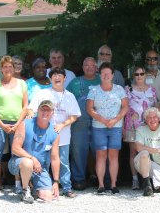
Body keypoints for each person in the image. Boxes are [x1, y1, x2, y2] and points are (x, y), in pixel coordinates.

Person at [29, 68, 81, 198]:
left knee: (63, 162)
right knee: (43, 161)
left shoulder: (70, 96)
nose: (57, 78)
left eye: (60, 75)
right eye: (54, 76)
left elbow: (75, 115)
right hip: (43, 135)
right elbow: (31, 110)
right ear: (50, 79)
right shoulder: (42, 94)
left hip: (63, 135)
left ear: (64, 78)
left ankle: (66, 187)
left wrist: (62, 124)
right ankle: (40, 186)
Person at [0, 56, 29, 197]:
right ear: (1, 69)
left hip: (17, 122)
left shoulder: (22, 83)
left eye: (10, 66)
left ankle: (18, 184)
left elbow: (25, 106)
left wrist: (17, 123)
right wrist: (2, 124)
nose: (8, 69)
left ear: (13, 68)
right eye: (5, 67)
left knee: (16, 153)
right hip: (0, 122)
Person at [87, 62, 129, 194]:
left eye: (108, 73)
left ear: (112, 75)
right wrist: (104, 121)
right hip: (99, 127)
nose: (106, 76)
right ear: (100, 74)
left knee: (113, 155)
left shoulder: (119, 89)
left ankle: (113, 184)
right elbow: (89, 108)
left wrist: (115, 120)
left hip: (115, 127)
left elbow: (125, 107)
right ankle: (100, 185)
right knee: (101, 155)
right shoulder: (94, 89)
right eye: (103, 73)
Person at [10, 99, 61, 203]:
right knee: (28, 163)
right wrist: (32, 159)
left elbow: (55, 158)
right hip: (20, 163)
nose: (45, 112)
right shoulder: (24, 124)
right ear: (38, 110)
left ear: (52, 113)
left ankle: (34, 187)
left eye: (48, 110)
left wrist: (56, 182)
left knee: (48, 197)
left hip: (39, 169)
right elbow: (15, 148)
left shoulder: (55, 133)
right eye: (43, 109)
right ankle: (25, 190)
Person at [67, 57, 100, 190]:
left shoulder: (102, 80)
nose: (89, 67)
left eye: (92, 65)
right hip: (79, 122)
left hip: (99, 122)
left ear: (96, 67)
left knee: (100, 151)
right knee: (78, 151)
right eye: (86, 65)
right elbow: (67, 100)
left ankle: (104, 179)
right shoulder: (75, 82)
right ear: (82, 67)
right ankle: (79, 179)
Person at [124, 65, 158, 189]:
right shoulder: (128, 89)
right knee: (133, 152)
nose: (139, 77)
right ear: (133, 76)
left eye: (141, 74)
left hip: (148, 126)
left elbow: (155, 107)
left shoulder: (152, 90)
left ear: (145, 75)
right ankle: (135, 179)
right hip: (132, 126)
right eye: (136, 74)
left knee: (147, 150)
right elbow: (124, 108)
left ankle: (147, 178)